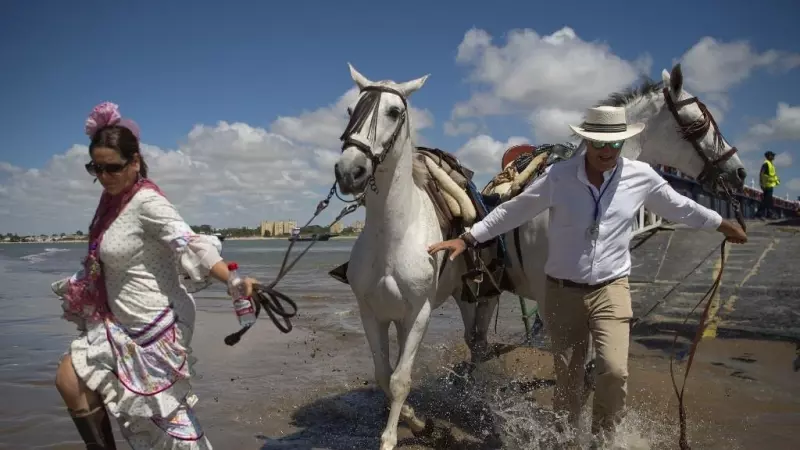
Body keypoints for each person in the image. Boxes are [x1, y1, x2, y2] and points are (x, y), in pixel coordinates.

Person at [427, 105, 747, 442]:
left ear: (624, 143)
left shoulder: (641, 177)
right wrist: (468, 238)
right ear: (588, 141)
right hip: (562, 293)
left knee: (614, 370)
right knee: (569, 378)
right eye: (600, 144)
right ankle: (566, 439)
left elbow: (680, 207)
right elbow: (514, 210)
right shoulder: (558, 177)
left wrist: (722, 225)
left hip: (611, 289)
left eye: (614, 144)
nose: (607, 152)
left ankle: (603, 439)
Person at [51, 102, 259, 449]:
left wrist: (233, 280)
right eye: (96, 168)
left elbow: (190, 244)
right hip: (118, 321)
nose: (103, 177)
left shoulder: (147, 202)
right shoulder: (111, 202)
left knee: (164, 422)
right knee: (70, 379)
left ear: (134, 163)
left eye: (112, 168)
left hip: (156, 324)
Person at [756, 150, 780, 220]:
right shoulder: (766, 164)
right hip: (766, 185)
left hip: (770, 184)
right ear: (769, 156)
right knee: (766, 200)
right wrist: (761, 183)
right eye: (772, 155)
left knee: (768, 200)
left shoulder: (770, 164)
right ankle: (760, 214)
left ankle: (768, 214)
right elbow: (761, 173)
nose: (773, 156)